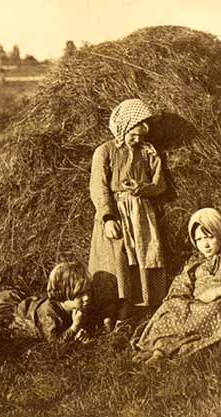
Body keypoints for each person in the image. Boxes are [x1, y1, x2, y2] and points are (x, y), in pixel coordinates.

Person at [131, 208, 221, 365]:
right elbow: (181, 283)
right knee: (171, 307)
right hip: (196, 302)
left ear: (220, 233)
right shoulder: (195, 262)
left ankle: (165, 352)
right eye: (199, 240)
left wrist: (218, 291)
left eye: (209, 237)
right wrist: (180, 299)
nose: (204, 245)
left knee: (214, 311)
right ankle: (157, 347)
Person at [88, 98, 168, 331]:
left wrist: (143, 188)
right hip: (117, 213)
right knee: (117, 260)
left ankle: (136, 311)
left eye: (142, 136)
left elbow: (160, 184)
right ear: (122, 127)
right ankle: (109, 314)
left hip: (140, 213)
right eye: (133, 134)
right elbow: (98, 186)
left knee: (143, 257)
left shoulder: (147, 152)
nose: (138, 139)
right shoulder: (105, 152)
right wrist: (107, 217)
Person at [0, 256, 91, 342]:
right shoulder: (49, 315)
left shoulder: (69, 307)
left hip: (13, 306)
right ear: (64, 295)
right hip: (2, 320)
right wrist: (74, 327)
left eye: (88, 292)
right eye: (80, 295)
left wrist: (79, 332)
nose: (87, 298)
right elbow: (55, 344)